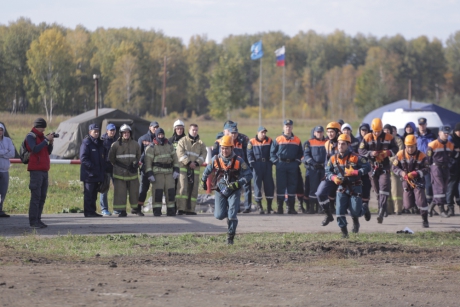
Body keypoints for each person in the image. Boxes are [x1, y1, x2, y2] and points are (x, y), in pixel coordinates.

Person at [201, 135, 252, 244]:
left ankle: (230, 237)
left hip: (234, 190)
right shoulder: (215, 159)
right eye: (223, 148)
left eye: (227, 148)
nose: (224, 151)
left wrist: (238, 183)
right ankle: (228, 217)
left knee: (232, 214)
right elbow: (207, 171)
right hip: (220, 190)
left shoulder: (239, 161)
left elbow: (249, 175)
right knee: (219, 215)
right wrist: (203, 181)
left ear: (232, 148)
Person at [325, 134, 371, 238]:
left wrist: (356, 172)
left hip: (355, 186)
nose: (340, 146)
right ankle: (344, 233)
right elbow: (327, 172)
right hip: (341, 187)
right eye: (339, 144)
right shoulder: (333, 159)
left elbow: (367, 167)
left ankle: (364, 208)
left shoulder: (356, 157)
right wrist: (333, 178)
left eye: (343, 144)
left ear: (348, 145)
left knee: (355, 212)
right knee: (339, 211)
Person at [359, 118, 398, 223]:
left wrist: (388, 153)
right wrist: (371, 154)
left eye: (379, 131)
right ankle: (381, 205)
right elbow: (361, 150)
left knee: (384, 188)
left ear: (382, 129)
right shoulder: (367, 137)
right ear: (372, 129)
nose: (377, 133)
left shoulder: (389, 137)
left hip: (384, 166)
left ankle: (381, 210)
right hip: (372, 167)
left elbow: (396, 149)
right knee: (377, 190)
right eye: (375, 131)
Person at [392, 135, 430, 228]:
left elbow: (427, 169)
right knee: (408, 205)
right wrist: (401, 173)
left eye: (412, 146)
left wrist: (416, 173)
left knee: (421, 201)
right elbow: (394, 167)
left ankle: (425, 219)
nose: (410, 149)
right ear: (405, 146)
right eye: (408, 146)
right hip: (407, 182)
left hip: (418, 181)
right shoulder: (400, 154)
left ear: (416, 145)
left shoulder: (422, 155)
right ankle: (415, 205)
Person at [213, 123, 251, 213]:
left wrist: (247, 165)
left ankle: (247, 207)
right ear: (229, 133)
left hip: (241, 167)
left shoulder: (241, 141)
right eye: (232, 133)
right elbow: (216, 155)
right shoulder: (223, 141)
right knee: (230, 188)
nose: (234, 135)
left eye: (235, 133)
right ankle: (234, 208)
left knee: (246, 186)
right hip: (229, 169)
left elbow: (246, 154)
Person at [26, 118, 54, 228]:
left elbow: (48, 152)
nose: (44, 129)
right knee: (36, 197)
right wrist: (46, 140)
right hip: (35, 170)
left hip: (44, 170)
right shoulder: (31, 136)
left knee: (42, 196)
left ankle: (38, 219)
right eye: (43, 127)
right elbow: (35, 149)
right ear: (39, 126)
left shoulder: (43, 138)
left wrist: (50, 143)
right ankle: (33, 221)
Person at [144, 128, 179, 216]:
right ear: (156, 135)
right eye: (159, 135)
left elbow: (175, 158)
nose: (161, 136)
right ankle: (157, 211)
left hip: (169, 173)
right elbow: (148, 162)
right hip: (157, 174)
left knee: (171, 192)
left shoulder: (169, 145)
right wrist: (149, 173)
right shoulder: (151, 147)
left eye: (162, 135)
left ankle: (171, 211)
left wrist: (176, 170)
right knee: (157, 193)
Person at [270, 119, 303, 214]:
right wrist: (276, 162)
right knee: (281, 185)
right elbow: (272, 153)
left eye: (290, 126)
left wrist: (297, 162)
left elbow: (300, 153)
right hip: (281, 164)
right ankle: (280, 207)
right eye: (286, 126)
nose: (288, 128)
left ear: (292, 127)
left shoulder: (297, 140)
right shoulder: (278, 139)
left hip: (292, 165)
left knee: (292, 185)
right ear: (283, 127)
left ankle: (291, 207)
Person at [108, 124, 141, 217]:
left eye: (128, 132)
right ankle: (122, 211)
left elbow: (138, 156)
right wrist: (119, 166)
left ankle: (135, 209)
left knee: (134, 192)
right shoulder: (115, 145)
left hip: (132, 173)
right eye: (124, 133)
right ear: (121, 134)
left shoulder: (135, 144)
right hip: (120, 173)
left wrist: (135, 164)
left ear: (130, 133)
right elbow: (111, 158)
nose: (126, 134)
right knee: (120, 193)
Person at [176, 124, 207, 215]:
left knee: (193, 190)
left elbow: (204, 154)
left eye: (196, 130)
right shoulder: (182, 141)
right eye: (193, 130)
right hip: (184, 169)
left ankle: (190, 209)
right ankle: (181, 208)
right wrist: (189, 163)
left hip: (195, 170)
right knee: (182, 188)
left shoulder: (201, 144)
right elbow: (180, 154)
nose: (195, 132)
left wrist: (197, 163)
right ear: (189, 130)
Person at [427, 125, 455, 218]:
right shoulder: (432, 144)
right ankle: (441, 210)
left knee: (443, 189)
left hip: (446, 168)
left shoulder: (450, 145)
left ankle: (430, 208)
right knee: (440, 189)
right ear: (439, 133)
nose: (446, 135)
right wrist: (430, 168)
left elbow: (451, 156)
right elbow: (428, 158)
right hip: (436, 168)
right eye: (444, 133)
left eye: (447, 133)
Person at [316, 122, 341, 225]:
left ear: (337, 132)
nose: (330, 134)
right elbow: (327, 161)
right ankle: (328, 214)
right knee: (320, 194)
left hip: (343, 175)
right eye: (328, 132)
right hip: (331, 175)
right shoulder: (327, 144)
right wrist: (327, 174)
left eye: (332, 132)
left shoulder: (343, 142)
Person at [79, 124, 106, 217]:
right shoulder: (86, 143)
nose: (97, 133)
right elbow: (83, 158)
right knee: (89, 194)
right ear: (90, 132)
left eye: (98, 131)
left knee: (94, 194)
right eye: (95, 131)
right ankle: (88, 212)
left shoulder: (100, 143)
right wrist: (92, 167)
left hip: (97, 174)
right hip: (89, 174)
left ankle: (92, 211)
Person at [247, 126, 274, 214]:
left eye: (265, 132)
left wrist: (271, 162)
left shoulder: (270, 141)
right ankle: (259, 206)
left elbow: (272, 151)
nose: (263, 134)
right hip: (257, 165)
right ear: (258, 132)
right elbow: (249, 154)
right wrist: (252, 163)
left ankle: (269, 207)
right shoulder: (252, 141)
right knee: (257, 185)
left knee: (269, 185)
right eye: (262, 132)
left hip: (267, 164)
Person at [303, 126, 327, 214]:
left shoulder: (327, 142)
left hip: (324, 169)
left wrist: (325, 164)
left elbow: (329, 155)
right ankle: (312, 207)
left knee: (323, 188)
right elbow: (306, 155)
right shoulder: (309, 142)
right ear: (314, 133)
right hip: (314, 169)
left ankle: (321, 207)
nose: (319, 133)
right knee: (313, 188)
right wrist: (313, 163)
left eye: (321, 132)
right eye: (317, 132)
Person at [137, 121, 159, 214]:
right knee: (143, 189)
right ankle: (138, 208)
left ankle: (156, 210)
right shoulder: (143, 138)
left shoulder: (160, 138)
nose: (155, 129)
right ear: (149, 127)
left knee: (157, 189)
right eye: (154, 127)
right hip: (145, 168)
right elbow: (138, 153)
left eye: (157, 127)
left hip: (157, 168)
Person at [415, 117, 436, 213]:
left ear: (426, 125)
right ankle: (418, 206)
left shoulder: (432, 136)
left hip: (428, 164)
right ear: (418, 125)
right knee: (417, 186)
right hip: (417, 164)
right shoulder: (415, 137)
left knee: (428, 185)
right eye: (420, 124)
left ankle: (429, 205)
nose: (422, 126)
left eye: (423, 124)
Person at [99, 123, 117, 216]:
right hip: (106, 169)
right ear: (107, 131)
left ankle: (117, 209)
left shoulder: (117, 140)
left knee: (117, 189)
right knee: (104, 189)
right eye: (111, 130)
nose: (112, 132)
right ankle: (104, 209)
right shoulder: (103, 142)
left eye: (114, 130)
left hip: (115, 169)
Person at [169, 120, 186, 213]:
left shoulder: (186, 140)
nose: (179, 130)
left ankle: (181, 208)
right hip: (172, 168)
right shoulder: (170, 140)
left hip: (183, 168)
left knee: (182, 189)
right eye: (177, 128)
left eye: (181, 128)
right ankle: (173, 207)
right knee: (173, 188)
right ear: (174, 129)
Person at [388, 125, 405, 215]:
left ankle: (398, 209)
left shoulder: (397, 140)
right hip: (386, 168)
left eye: (389, 130)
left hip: (395, 167)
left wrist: (390, 159)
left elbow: (400, 152)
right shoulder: (384, 140)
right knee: (387, 190)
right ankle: (388, 209)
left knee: (396, 190)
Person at [0, 123, 15, 218]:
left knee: (3, 192)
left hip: (5, 170)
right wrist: (5, 151)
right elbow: (8, 152)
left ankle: (0, 210)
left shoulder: (8, 140)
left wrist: (1, 153)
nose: (0, 132)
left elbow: (12, 153)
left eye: (1, 130)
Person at [446, 122, 460, 216]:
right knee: (451, 188)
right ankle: (450, 207)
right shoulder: (451, 138)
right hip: (452, 167)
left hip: (458, 165)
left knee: (455, 188)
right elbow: (449, 151)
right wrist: (456, 150)